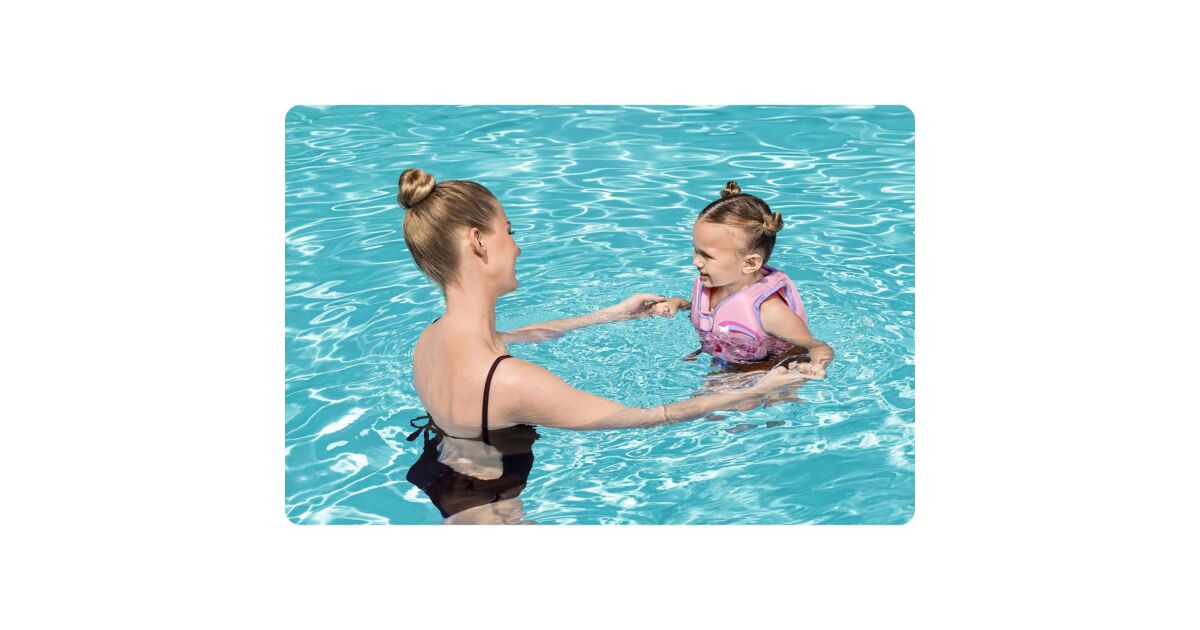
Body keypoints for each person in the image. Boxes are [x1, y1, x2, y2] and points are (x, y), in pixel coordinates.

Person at [395, 168, 813, 523]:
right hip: (492, 511)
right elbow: (652, 417)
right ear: (478, 241)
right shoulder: (511, 383)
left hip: (444, 467)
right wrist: (759, 388)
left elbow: (515, 336)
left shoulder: (432, 337)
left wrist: (611, 314)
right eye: (509, 232)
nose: (517, 246)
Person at [650, 181, 835, 377]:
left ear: (750, 263)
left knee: (713, 394)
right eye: (696, 250)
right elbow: (702, 311)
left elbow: (818, 347)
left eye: (707, 256)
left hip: (762, 370)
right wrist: (676, 303)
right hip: (725, 360)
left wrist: (816, 366)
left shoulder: (770, 312)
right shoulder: (713, 285)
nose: (695, 261)